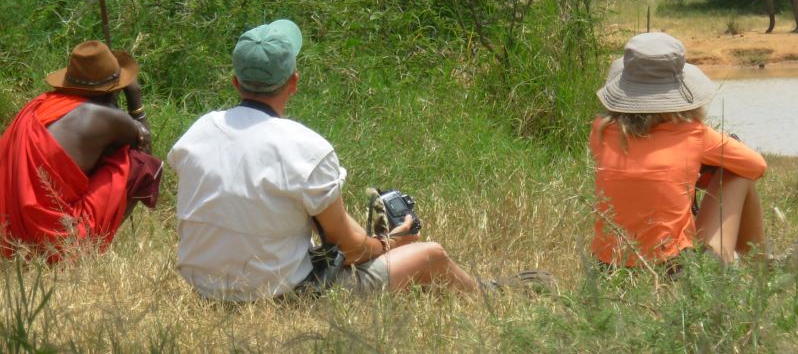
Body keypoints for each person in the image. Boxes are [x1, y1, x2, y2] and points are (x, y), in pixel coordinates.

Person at [168, 19, 485, 301]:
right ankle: (489, 297)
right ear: (294, 82)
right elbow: (350, 250)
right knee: (431, 255)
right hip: (281, 296)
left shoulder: (199, 131)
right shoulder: (306, 148)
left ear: (235, 82)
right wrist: (394, 240)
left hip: (206, 291)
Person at [589, 32, 767, 270]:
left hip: (608, 267)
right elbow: (756, 166)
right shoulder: (693, 133)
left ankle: (762, 265)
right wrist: (705, 174)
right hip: (673, 270)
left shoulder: (600, 131)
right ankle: (763, 265)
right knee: (736, 175)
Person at [0, 41, 162, 262]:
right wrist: (135, 99)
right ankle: (89, 249)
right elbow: (145, 146)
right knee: (139, 164)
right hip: (57, 239)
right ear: (113, 90)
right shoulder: (108, 117)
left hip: (8, 230)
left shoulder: (41, 104)